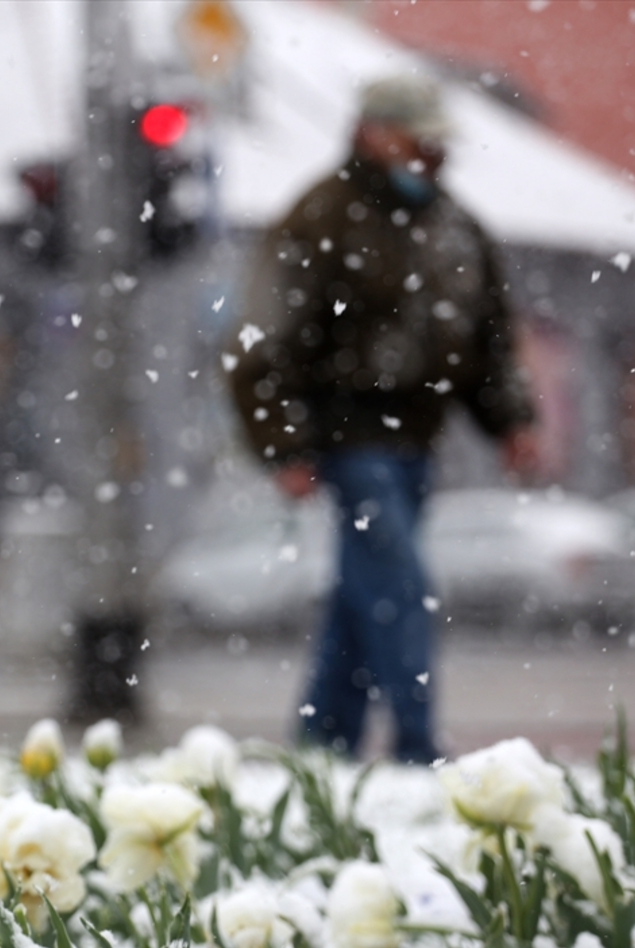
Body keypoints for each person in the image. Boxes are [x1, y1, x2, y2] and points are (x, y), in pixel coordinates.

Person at [227, 73, 539, 763]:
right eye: (416, 139)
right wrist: (283, 443)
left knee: (362, 597)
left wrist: (511, 419)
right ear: (373, 133)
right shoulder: (320, 219)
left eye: (436, 142)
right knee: (397, 586)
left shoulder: (454, 228)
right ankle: (418, 746)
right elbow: (263, 340)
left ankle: (322, 742)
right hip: (350, 440)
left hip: (418, 442)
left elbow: (485, 332)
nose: (430, 154)